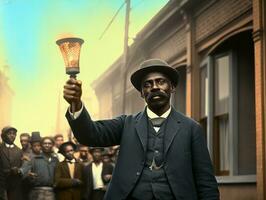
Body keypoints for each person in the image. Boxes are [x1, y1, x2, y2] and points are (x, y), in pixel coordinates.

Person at [63, 58, 220, 199]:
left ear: (171, 87)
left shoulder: (191, 128)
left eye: (160, 82)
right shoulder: (126, 124)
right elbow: (90, 134)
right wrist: (76, 103)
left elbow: (205, 181)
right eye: (147, 84)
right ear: (141, 93)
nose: (154, 87)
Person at [0, 126, 23, 200]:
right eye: (9, 133)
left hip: (14, 185)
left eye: (14, 134)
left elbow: (22, 166)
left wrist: (18, 170)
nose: (12, 135)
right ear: (3, 135)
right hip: (1, 183)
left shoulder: (19, 151)